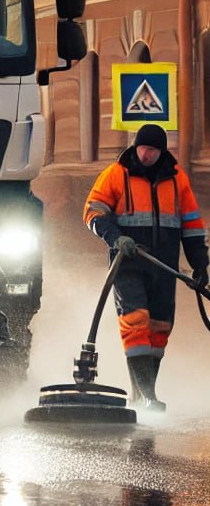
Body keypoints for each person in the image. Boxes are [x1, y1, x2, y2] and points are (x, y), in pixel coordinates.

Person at [83, 123, 208, 411]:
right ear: (135, 147)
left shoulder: (178, 181)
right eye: (143, 148)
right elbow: (93, 212)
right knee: (136, 321)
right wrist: (116, 238)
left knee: (160, 328)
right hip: (127, 264)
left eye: (152, 150)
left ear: (161, 152)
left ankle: (143, 394)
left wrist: (200, 264)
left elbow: (191, 226)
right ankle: (148, 394)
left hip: (163, 267)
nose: (146, 154)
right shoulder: (116, 174)